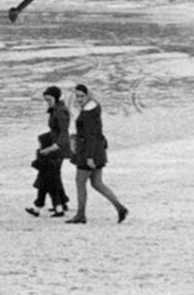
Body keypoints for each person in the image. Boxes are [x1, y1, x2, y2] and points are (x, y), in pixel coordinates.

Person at [66, 84, 129, 224]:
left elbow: (89, 135)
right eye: (77, 96)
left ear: (88, 95)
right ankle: (120, 208)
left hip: (88, 152)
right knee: (97, 183)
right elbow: (96, 133)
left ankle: (81, 215)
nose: (79, 99)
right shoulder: (94, 107)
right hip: (97, 150)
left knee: (80, 182)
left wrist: (89, 157)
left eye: (82, 96)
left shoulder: (88, 112)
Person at [25, 87, 72, 217]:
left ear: (56, 98)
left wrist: (54, 146)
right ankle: (60, 204)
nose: (47, 102)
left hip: (57, 149)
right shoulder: (57, 109)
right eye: (46, 100)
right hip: (55, 147)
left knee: (49, 176)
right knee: (52, 176)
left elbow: (63, 131)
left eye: (49, 99)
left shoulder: (60, 111)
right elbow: (57, 131)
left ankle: (47, 207)